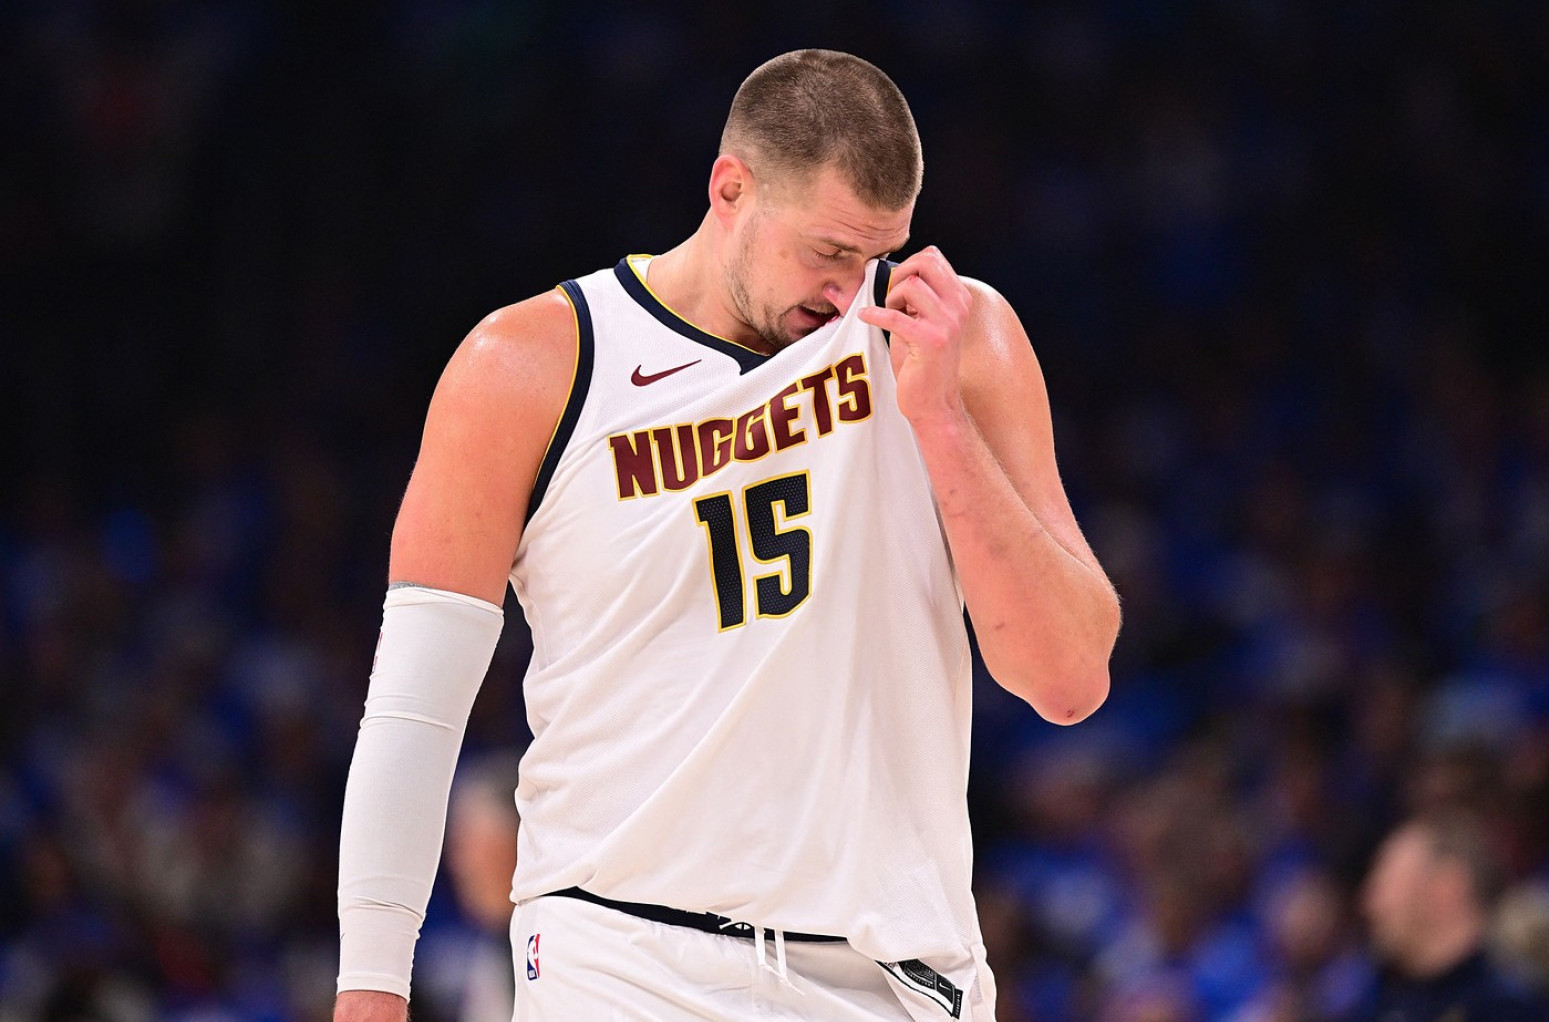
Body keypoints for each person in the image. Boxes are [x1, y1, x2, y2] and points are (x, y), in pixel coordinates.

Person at [335, 49, 1119, 1022]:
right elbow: (415, 707)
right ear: (731, 189)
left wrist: (942, 424)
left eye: (874, 254)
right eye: (827, 251)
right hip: (622, 960)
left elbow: (1068, 680)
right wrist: (371, 982)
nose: (849, 290)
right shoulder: (531, 366)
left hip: (895, 974)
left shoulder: (948, 338)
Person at [1352, 812, 1547, 1021]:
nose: (1368, 903)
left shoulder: (1505, 1009)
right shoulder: (1379, 996)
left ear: (1447, 888)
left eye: (1387, 883)